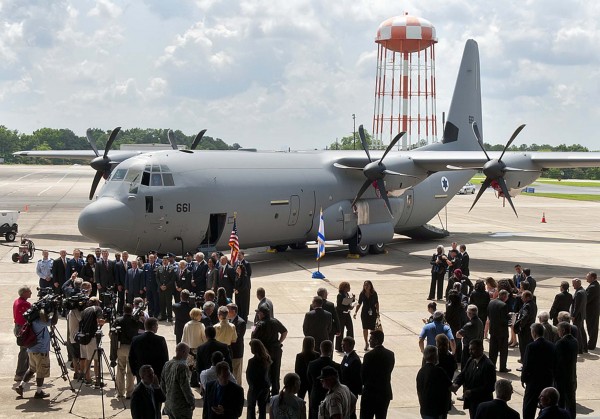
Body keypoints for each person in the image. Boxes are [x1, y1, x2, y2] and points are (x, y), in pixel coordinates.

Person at [14, 303, 59, 399]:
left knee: (31, 369)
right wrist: (55, 310)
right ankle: (39, 392)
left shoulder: (31, 321)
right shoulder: (39, 322)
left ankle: (21, 386)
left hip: (31, 350)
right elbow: (54, 322)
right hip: (40, 351)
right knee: (41, 371)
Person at [451, 339, 496, 419]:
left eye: (473, 349)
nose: (470, 352)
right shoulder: (471, 360)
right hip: (472, 402)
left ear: (481, 349)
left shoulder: (488, 366)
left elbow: (489, 387)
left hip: (482, 403)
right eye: (469, 349)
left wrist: (471, 392)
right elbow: (463, 374)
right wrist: (456, 384)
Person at [521, 323, 556, 419]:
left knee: (529, 405)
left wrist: (523, 379)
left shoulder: (531, 346)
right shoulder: (552, 346)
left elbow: (526, 364)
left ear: (534, 333)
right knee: (546, 404)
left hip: (533, 381)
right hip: (547, 379)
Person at [252, 304, 287, 395]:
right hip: (276, 350)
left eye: (258, 313)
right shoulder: (275, 321)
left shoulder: (258, 324)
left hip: (265, 352)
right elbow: (284, 331)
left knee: (265, 373)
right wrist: (279, 342)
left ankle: (266, 395)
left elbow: (253, 337)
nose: (258, 315)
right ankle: (275, 393)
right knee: (276, 373)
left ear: (262, 314)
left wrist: (254, 326)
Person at [361, 330, 395, 419]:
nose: (369, 341)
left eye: (371, 339)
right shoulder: (390, 354)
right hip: (384, 392)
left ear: (376, 341)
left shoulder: (368, 356)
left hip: (370, 393)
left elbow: (363, 375)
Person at [111, 303, 143, 398]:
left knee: (120, 369)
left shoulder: (118, 320)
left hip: (121, 347)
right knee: (130, 371)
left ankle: (120, 392)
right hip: (132, 347)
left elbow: (111, 333)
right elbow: (141, 329)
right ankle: (130, 393)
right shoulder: (135, 321)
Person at [307, 340, 342, 419]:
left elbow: (309, 380)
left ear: (320, 349)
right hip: (332, 397)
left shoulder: (312, 364)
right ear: (331, 349)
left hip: (316, 395)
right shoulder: (336, 366)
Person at [160, 342, 195, 419]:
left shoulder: (167, 364)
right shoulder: (182, 366)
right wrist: (191, 401)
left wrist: (167, 397)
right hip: (181, 406)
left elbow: (162, 384)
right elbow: (185, 387)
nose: (188, 355)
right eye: (187, 353)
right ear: (183, 352)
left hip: (169, 404)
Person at [416, 346, 452, 419]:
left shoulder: (421, 372)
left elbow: (419, 391)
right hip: (437, 411)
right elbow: (451, 387)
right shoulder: (439, 371)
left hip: (425, 410)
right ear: (435, 356)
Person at [129, 317, 169, 381]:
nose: (157, 327)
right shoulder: (160, 340)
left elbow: (131, 357)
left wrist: (135, 372)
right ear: (153, 327)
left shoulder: (136, 339)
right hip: (157, 373)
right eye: (157, 325)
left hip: (141, 373)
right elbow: (165, 358)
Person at [79, 297, 106, 387]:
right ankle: (97, 379)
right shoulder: (97, 309)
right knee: (95, 359)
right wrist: (106, 321)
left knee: (87, 358)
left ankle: (88, 378)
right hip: (92, 337)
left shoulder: (84, 310)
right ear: (96, 303)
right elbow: (100, 321)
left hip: (83, 337)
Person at [554, 322, 578, 418]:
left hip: (561, 377)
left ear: (563, 331)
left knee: (561, 402)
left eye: (558, 330)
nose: (558, 332)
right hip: (571, 376)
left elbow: (557, 361)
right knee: (571, 401)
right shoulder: (575, 341)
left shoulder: (560, 343)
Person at [246, 339, 272, 419]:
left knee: (251, 407)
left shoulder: (252, 361)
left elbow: (249, 375)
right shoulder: (267, 358)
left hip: (254, 387)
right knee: (262, 407)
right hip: (265, 386)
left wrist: (251, 385)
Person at [487, 289, 511, 372]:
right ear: (504, 297)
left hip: (493, 330)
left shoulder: (491, 302)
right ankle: (502, 367)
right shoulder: (504, 305)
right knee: (503, 351)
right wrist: (509, 318)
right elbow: (503, 320)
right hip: (502, 332)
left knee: (493, 350)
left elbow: (489, 315)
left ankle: (491, 365)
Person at [13, 285, 32, 382]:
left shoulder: (17, 301)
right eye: (29, 292)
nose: (31, 293)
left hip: (18, 327)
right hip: (22, 329)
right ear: (24, 293)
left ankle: (27, 371)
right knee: (24, 352)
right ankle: (19, 374)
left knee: (26, 350)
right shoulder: (24, 304)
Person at [353, 280, 379, 351]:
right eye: (365, 285)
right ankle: (366, 343)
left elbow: (376, 303)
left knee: (372, 329)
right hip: (364, 312)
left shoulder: (374, 293)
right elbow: (359, 303)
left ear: (371, 286)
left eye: (367, 285)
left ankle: (372, 343)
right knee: (365, 328)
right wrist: (355, 312)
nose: (366, 286)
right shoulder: (362, 293)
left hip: (372, 312)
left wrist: (378, 312)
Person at [456, 305, 484, 369]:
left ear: (469, 314)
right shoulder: (480, 322)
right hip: (478, 348)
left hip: (468, 349)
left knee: (465, 367)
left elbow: (458, 335)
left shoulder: (469, 325)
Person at [514, 290, 537, 365]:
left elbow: (525, 317)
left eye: (522, 297)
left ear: (527, 297)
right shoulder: (532, 304)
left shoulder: (527, 306)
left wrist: (520, 326)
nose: (521, 298)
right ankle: (524, 359)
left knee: (523, 346)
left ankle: (524, 362)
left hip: (525, 330)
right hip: (529, 328)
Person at [295, 336, 320, 400]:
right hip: (312, 381)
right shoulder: (317, 355)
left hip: (302, 381)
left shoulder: (299, 356)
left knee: (300, 399)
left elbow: (297, 370)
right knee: (312, 401)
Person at [227, 303, 247, 385]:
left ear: (233, 311)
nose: (226, 312)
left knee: (236, 374)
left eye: (228, 310)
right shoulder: (228, 320)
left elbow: (238, 337)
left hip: (236, 352)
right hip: (229, 351)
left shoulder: (240, 322)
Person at [335, 282, 355, 353]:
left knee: (350, 329)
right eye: (348, 287)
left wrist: (352, 301)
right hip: (341, 315)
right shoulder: (340, 295)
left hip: (347, 314)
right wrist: (347, 307)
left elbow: (346, 303)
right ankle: (339, 347)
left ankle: (349, 345)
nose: (349, 288)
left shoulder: (347, 294)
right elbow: (339, 306)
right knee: (341, 330)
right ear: (344, 288)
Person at [156, 255, 176, 322]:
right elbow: (157, 278)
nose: (164, 262)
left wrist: (166, 286)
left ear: (168, 261)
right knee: (162, 303)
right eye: (163, 260)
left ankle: (169, 316)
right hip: (161, 289)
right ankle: (163, 316)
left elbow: (172, 279)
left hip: (168, 289)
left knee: (168, 303)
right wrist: (160, 286)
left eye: (166, 260)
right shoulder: (159, 268)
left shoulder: (172, 268)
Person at [571, 278, 588, 353]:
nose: (572, 285)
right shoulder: (583, 291)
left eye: (573, 284)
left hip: (578, 316)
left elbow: (576, 306)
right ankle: (585, 347)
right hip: (581, 315)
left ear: (578, 284)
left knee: (578, 332)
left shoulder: (579, 293)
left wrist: (573, 316)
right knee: (582, 331)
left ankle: (580, 349)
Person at [235, 251, 252, 320]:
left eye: (239, 255)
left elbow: (249, 274)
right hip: (238, 286)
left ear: (243, 255)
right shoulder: (236, 263)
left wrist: (241, 276)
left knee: (245, 302)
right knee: (238, 303)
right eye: (238, 255)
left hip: (245, 286)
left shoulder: (247, 264)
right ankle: (239, 315)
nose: (238, 256)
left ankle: (245, 315)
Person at [585, 271, 599, 350]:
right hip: (593, 310)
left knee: (592, 327)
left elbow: (587, 299)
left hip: (592, 310)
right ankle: (591, 343)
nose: (586, 278)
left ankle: (591, 345)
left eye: (588, 276)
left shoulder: (593, 287)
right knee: (592, 327)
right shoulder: (594, 285)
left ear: (592, 278)